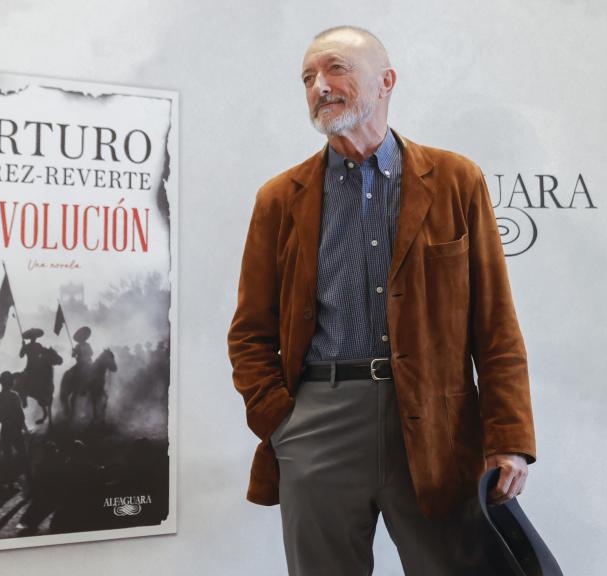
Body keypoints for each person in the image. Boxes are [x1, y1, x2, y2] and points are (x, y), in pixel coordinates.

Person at [227, 26, 537, 576]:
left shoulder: (454, 181)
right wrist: (281, 421)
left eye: (335, 69)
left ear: (386, 81)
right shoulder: (280, 199)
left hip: (435, 427)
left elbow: (496, 326)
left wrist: (508, 438)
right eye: (308, 77)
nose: (319, 86)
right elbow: (250, 331)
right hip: (317, 421)